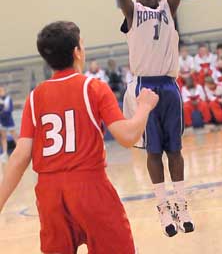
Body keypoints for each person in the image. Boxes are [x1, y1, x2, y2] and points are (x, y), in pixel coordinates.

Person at [0, 21, 159, 254]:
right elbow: (126, 137)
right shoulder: (93, 88)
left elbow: (20, 157)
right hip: (89, 187)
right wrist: (144, 107)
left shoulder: (35, 97)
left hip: (49, 193)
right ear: (77, 52)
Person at [109, 0, 194, 236]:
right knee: (154, 151)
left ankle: (181, 203)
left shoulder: (169, 8)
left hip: (169, 86)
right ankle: (162, 207)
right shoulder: (132, 14)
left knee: (176, 150)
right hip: (145, 87)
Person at [0, 87, 18, 163]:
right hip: (2, 121)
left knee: (15, 137)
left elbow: (10, 109)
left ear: (4, 91)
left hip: (9, 121)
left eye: (1, 90)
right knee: (3, 138)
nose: (1, 92)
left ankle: (19, 152)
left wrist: (3, 110)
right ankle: (4, 154)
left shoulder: (8, 99)